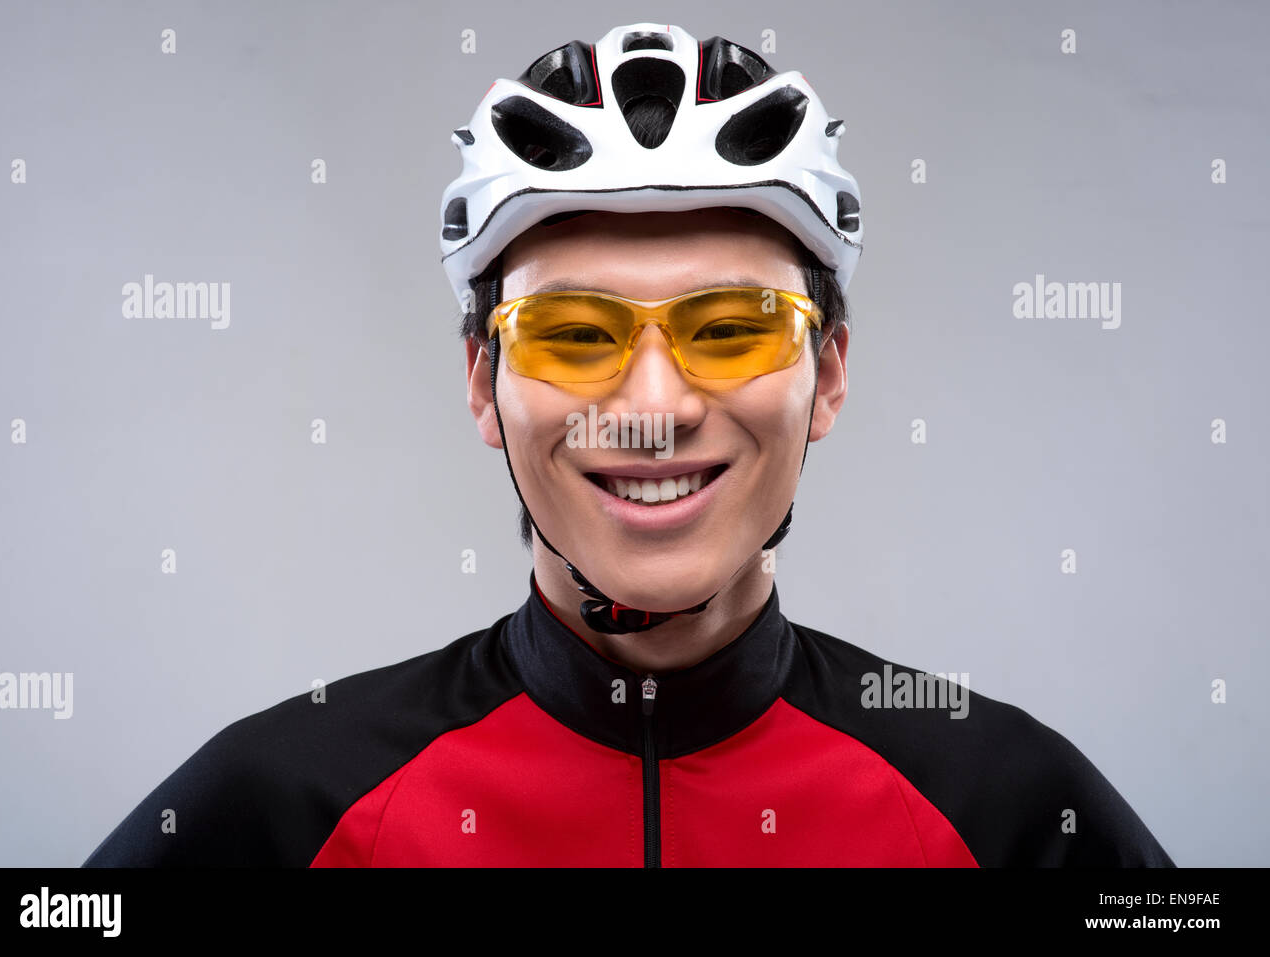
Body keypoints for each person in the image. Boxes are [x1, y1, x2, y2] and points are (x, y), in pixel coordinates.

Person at [84, 22, 1173, 867]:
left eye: (731, 327)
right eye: (573, 334)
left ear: (827, 374)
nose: (653, 405)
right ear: (483, 385)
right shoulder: (283, 801)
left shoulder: (1010, 805)